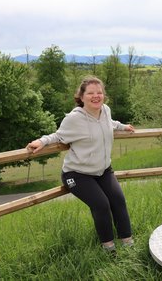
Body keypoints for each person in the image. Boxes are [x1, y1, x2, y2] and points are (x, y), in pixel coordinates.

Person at [26, 76, 134, 252]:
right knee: (101, 205)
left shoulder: (105, 110)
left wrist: (122, 126)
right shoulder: (74, 119)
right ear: (81, 96)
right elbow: (58, 136)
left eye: (99, 92)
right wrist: (42, 141)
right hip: (77, 174)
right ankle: (109, 248)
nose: (96, 96)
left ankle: (128, 244)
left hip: (103, 171)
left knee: (118, 200)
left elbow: (109, 123)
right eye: (90, 93)